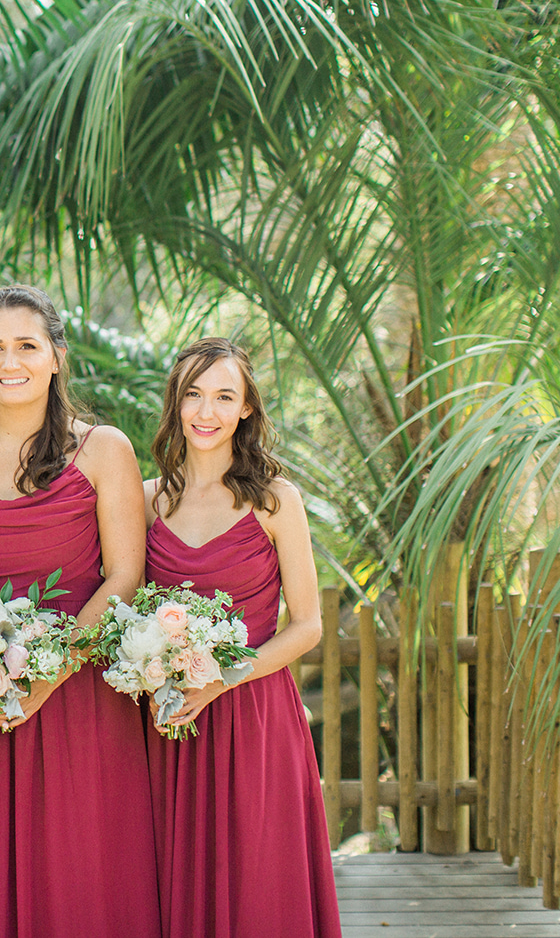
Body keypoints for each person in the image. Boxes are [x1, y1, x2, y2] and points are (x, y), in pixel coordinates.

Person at [0, 285, 161, 938]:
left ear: (56, 355)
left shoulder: (104, 449)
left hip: (79, 701)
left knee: (85, 881)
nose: (10, 360)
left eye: (27, 344)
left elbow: (124, 574)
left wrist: (48, 672)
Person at [142, 337, 340, 937]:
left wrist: (223, 676)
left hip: (253, 714)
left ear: (247, 408)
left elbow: (307, 624)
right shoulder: (149, 499)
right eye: (194, 395)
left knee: (257, 882)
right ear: (176, 403)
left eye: (224, 396)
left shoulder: (278, 500)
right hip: (169, 716)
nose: (207, 412)